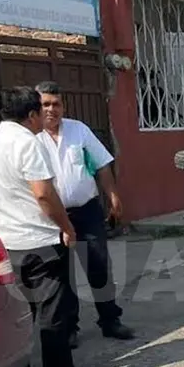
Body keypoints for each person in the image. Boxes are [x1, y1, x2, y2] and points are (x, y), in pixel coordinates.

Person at [0, 87, 98, 367]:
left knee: (19, 311)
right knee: (54, 309)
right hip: (39, 241)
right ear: (31, 115)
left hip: (3, 242)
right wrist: (66, 226)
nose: (44, 118)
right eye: (40, 111)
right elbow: (43, 193)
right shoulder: (28, 143)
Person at [35, 81, 135, 347]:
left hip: (87, 210)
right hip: (51, 216)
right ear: (37, 107)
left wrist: (113, 196)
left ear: (63, 106)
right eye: (45, 104)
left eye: (56, 104)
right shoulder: (30, 138)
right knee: (62, 274)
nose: (51, 110)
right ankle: (69, 328)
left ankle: (110, 320)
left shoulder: (78, 130)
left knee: (98, 266)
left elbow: (102, 164)